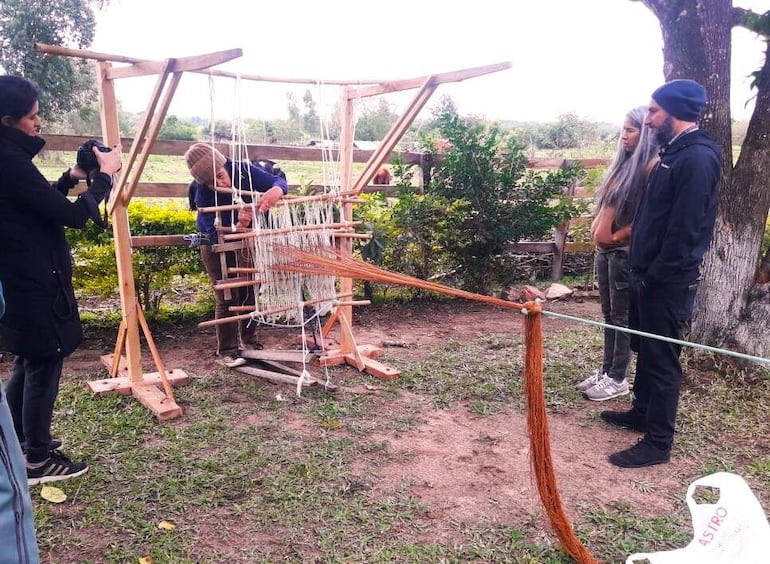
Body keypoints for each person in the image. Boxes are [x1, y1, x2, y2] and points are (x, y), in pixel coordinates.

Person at [0, 75, 123, 484]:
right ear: (7, 121)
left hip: (19, 277)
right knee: (44, 360)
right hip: (32, 279)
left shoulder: (8, 159)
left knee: (28, 359)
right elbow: (70, 217)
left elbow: (38, 205)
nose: (38, 123)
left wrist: (72, 178)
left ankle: (16, 442)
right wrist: (104, 177)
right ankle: (36, 459)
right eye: (32, 117)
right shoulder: (9, 162)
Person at [601, 79, 721, 468]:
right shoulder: (674, 152)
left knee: (663, 357)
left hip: (667, 281)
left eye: (653, 111)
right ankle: (641, 412)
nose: (648, 119)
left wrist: (655, 275)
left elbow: (686, 230)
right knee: (647, 349)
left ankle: (658, 442)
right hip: (647, 275)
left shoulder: (698, 158)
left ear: (675, 111)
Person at [576, 106, 658, 401]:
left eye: (631, 130)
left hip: (623, 254)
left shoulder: (651, 167)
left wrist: (616, 236)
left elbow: (648, 217)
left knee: (622, 318)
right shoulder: (624, 166)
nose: (623, 136)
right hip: (606, 253)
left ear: (646, 133)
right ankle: (607, 370)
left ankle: (618, 377)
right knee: (609, 315)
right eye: (622, 130)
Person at [184, 143, 288, 362]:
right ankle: (228, 350)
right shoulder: (201, 192)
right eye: (212, 182)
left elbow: (277, 181)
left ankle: (250, 340)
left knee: (251, 288)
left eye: (221, 176)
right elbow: (210, 230)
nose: (220, 184)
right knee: (227, 294)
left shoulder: (242, 170)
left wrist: (276, 190)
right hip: (216, 244)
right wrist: (237, 226)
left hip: (247, 240)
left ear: (225, 165)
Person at [0, 279, 40, 562]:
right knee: (6, 500)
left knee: (28, 363)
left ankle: (29, 442)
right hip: (34, 296)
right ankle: (37, 453)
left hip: (26, 301)